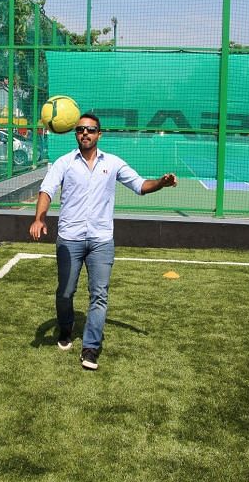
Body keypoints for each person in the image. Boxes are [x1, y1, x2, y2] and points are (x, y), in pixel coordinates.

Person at [29, 113, 178, 370]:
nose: (85, 133)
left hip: (101, 241)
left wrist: (161, 184)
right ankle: (65, 329)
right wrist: (39, 218)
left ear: (99, 134)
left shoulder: (114, 163)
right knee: (65, 292)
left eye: (90, 130)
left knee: (99, 295)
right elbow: (47, 190)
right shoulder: (64, 163)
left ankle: (90, 348)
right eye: (80, 130)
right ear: (75, 134)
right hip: (70, 238)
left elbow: (141, 185)